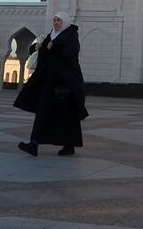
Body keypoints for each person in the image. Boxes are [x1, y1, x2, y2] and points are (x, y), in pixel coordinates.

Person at [14, 12, 88, 156]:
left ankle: (69, 145)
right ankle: (34, 144)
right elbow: (44, 49)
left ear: (65, 22)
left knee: (66, 115)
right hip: (48, 82)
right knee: (42, 112)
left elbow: (71, 52)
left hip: (65, 84)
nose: (56, 23)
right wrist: (36, 47)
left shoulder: (71, 35)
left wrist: (53, 47)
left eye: (59, 20)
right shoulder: (52, 34)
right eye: (54, 20)